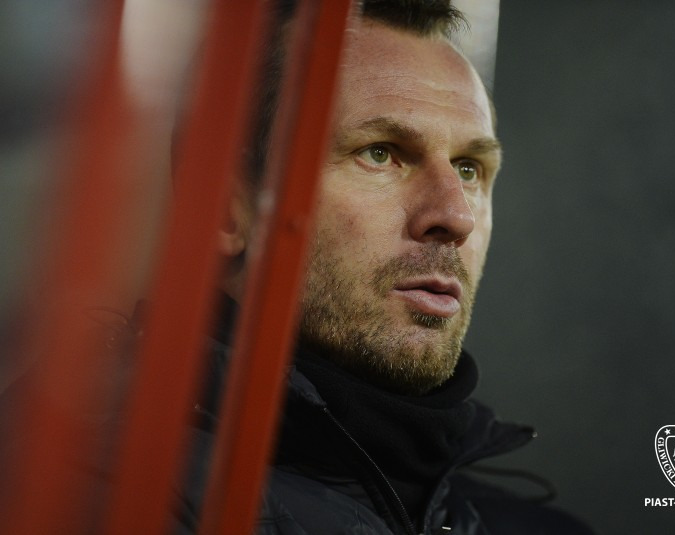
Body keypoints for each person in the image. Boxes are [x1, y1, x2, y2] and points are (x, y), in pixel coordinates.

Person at [171, 1, 596, 534]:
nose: (456, 217)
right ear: (223, 205)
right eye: (380, 153)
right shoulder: (112, 491)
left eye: (469, 168)